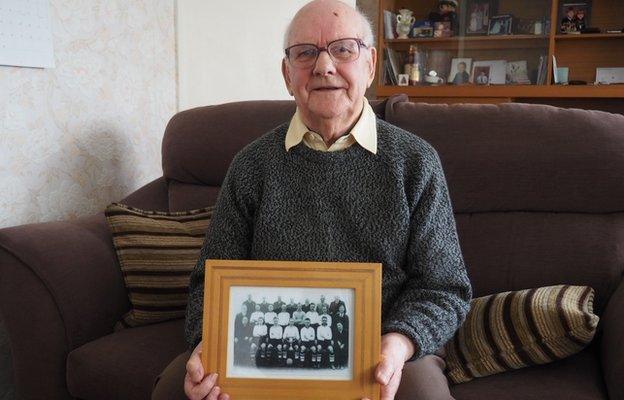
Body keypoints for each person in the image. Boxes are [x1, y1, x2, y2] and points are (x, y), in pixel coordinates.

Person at [152, 1, 471, 399]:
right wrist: (208, 346)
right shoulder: (251, 166)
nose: (323, 66)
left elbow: (444, 288)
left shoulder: (415, 162)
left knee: (422, 395)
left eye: (343, 49)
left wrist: (398, 343)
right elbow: (208, 283)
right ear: (288, 75)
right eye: (305, 53)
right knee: (175, 388)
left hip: (380, 348)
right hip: (266, 346)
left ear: (370, 64)